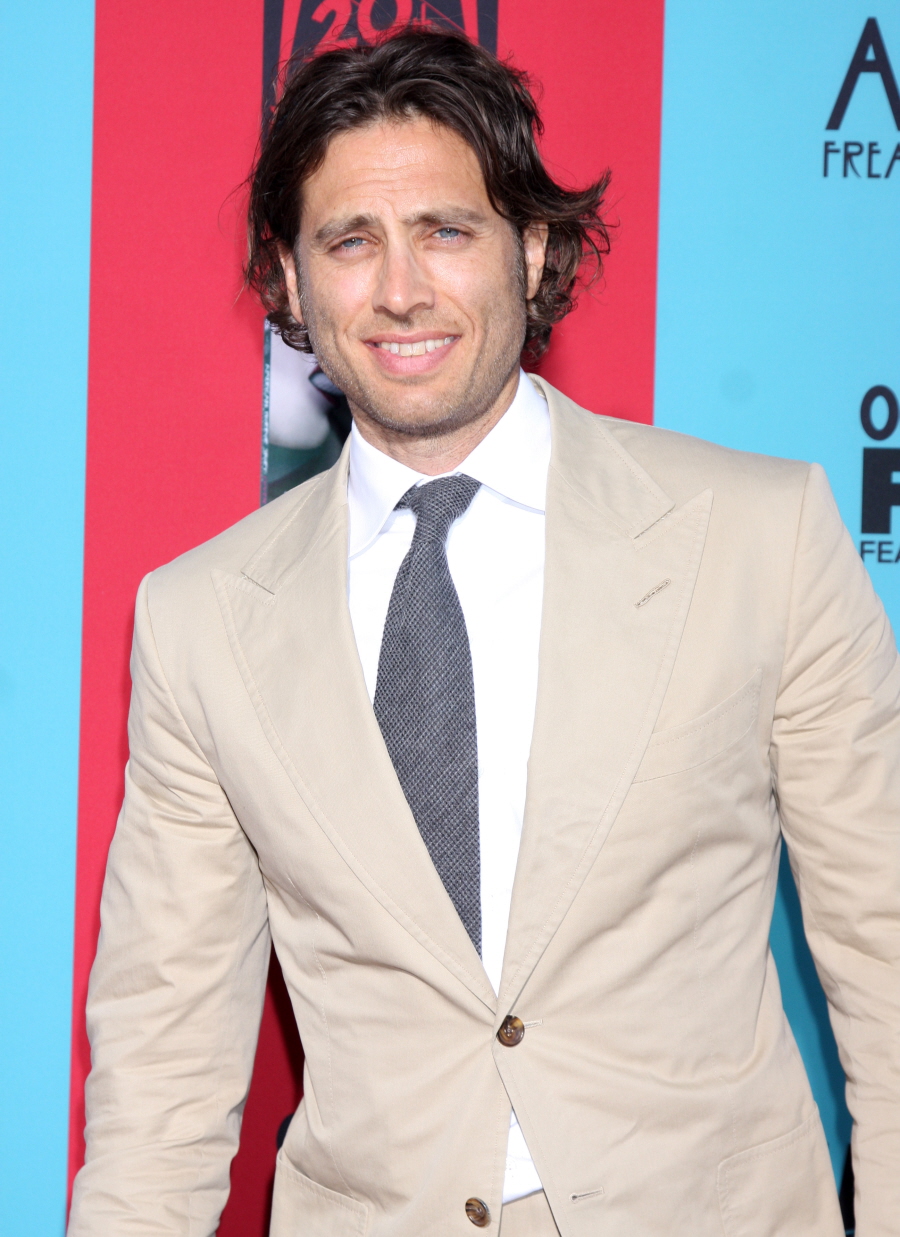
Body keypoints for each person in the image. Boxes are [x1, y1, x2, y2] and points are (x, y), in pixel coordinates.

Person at [68, 28, 899, 1237]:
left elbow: (886, 945)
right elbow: (162, 1062)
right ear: (291, 281)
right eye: (351, 242)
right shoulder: (200, 620)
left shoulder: (757, 538)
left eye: (446, 232)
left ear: (534, 248)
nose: (401, 289)